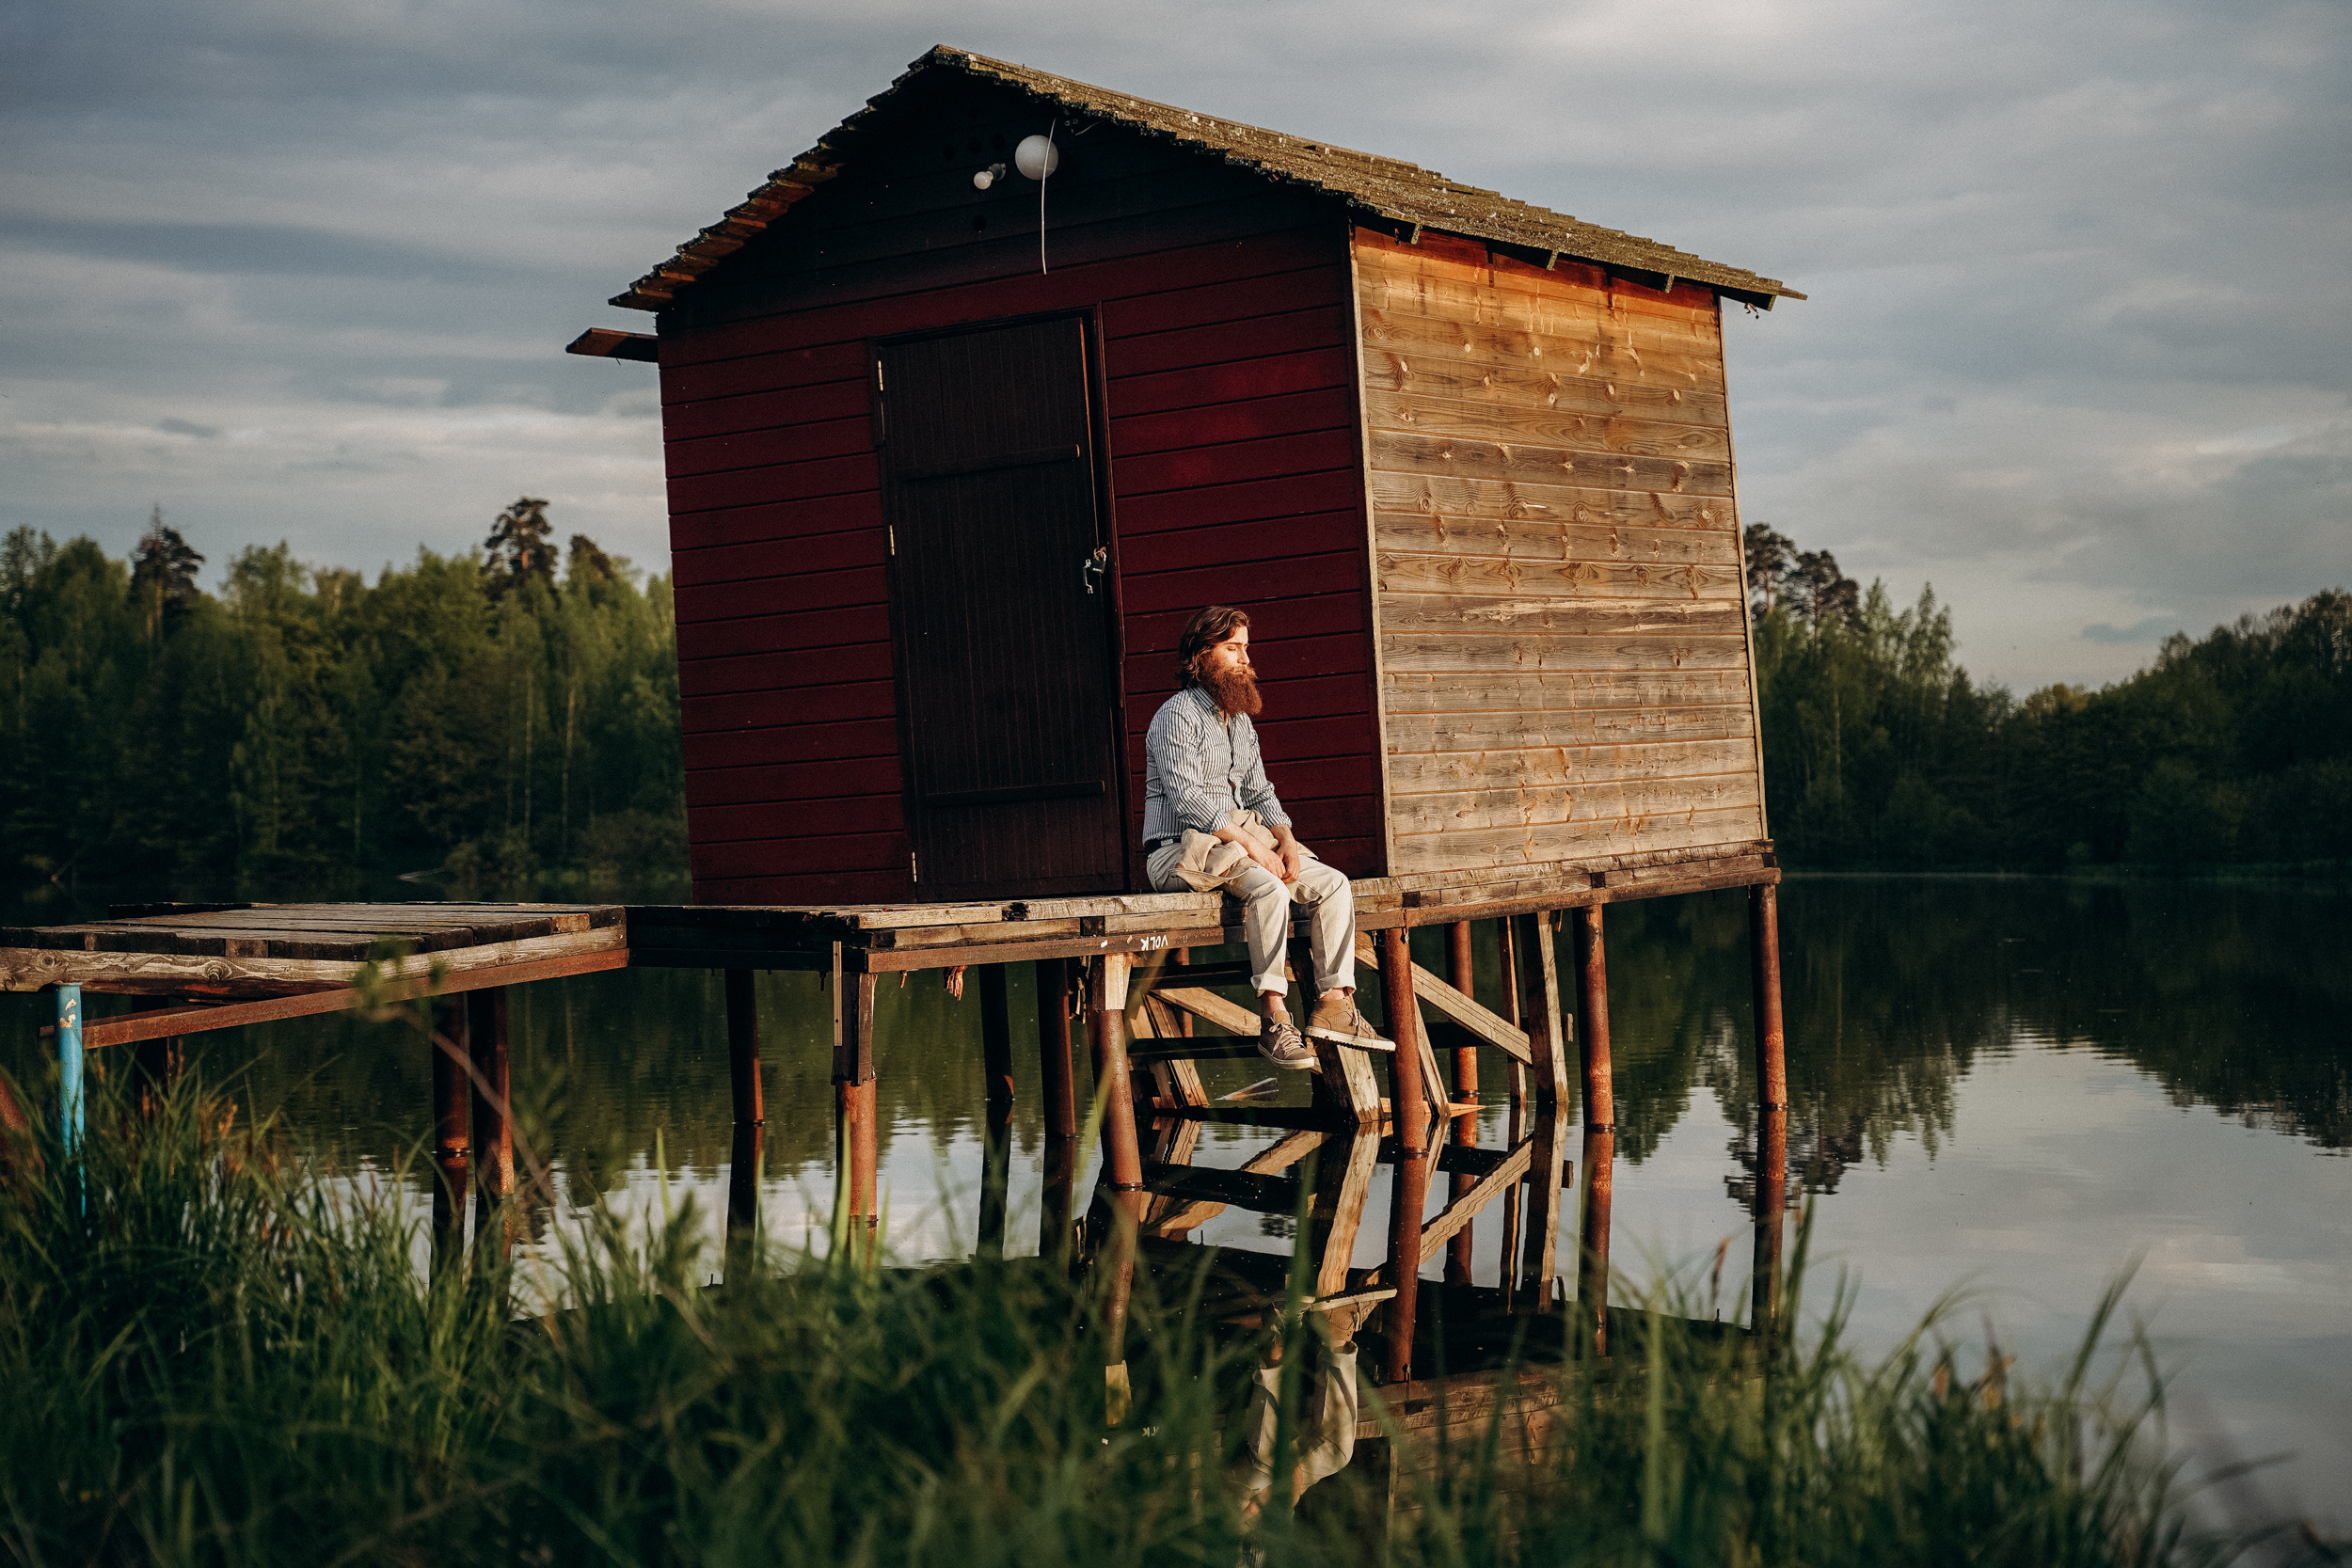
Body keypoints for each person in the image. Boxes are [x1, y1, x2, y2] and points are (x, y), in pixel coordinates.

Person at [1141, 605, 1391, 1069]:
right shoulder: (1176, 715)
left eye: (1246, 649)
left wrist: (1287, 842)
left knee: (1333, 883)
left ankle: (1335, 1004)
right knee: (1269, 888)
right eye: (1232, 649)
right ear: (1201, 654)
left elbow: (1259, 790)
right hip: (1178, 849)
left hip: (1237, 840)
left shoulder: (1238, 720)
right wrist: (1255, 847)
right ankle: (1274, 1020)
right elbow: (1187, 798)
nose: (1244, 659)